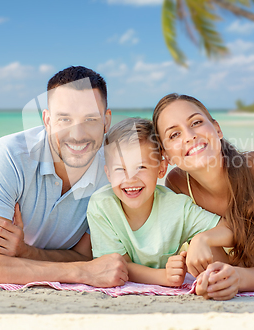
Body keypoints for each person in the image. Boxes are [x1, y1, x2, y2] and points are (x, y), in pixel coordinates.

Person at [0, 66, 128, 287]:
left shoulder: (114, 172)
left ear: (106, 121)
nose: (77, 134)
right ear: (47, 120)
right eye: (64, 119)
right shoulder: (10, 154)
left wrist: (25, 252)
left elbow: (84, 256)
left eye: (90, 119)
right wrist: (82, 273)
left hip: (26, 244)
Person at [152, 93, 254, 300]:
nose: (189, 136)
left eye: (196, 122)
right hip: (228, 253)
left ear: (217, 129)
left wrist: (234, 274)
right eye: (174, 135)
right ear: (167, 156)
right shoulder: (177, 183)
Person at [87, 117, 234, 287]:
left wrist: (203, 239)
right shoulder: (102, 206)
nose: (130, 179)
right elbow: (114, 265)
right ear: (109, 174)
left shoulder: (177, 207)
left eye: (141, 167)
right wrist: (162, 276)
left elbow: (230, 230)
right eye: (120, 169)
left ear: (161, 169)